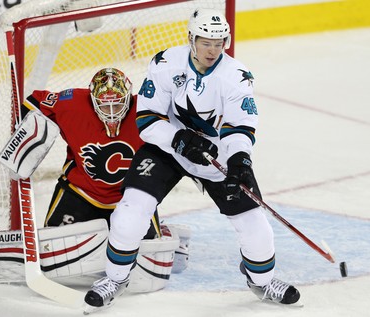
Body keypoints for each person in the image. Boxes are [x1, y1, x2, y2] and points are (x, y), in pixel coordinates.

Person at [83, 9, 300, 314]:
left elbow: (240, 126)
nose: (212, 50)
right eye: (205, 42)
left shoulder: (236, 77)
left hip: (215, 157)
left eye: (218, 42)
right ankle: (115, 279)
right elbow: (146, 119)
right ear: (190, 39)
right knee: (129, 215)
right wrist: (178, 139)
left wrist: (240, 160)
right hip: (167, 149)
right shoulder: (165, 64)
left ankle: (261, 281)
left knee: (257, 229)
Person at [3, 67, 189, 286]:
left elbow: (183, 124)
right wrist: (23, 133)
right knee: (52, 249)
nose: (111, 111)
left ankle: (167, 232)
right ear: (92, 99)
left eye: (118, 103)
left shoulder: (146, 109)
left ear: (129, 97)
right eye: (104, 104)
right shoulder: (71, 103)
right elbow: (36, 101)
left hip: (130, 197)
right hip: (80, 193)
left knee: (149, 254)